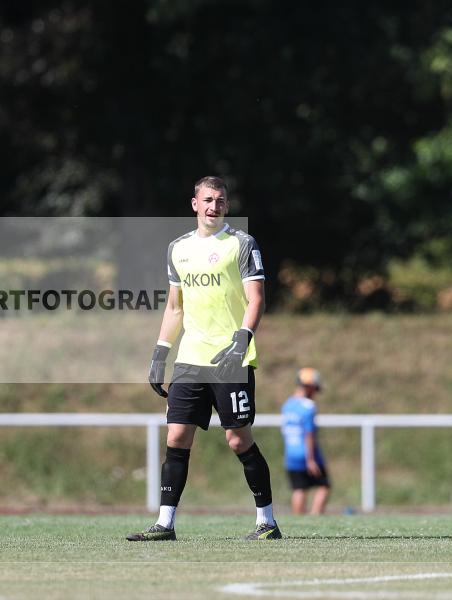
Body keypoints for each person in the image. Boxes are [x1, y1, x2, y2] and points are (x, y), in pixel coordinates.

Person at [127, 175, 281, 542]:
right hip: (191, 358)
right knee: (177, 435)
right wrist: (161, 351)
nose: (214, 206)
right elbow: (175, 307)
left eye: (221, 200)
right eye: (208, 199)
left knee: (238, 440)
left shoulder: (241, 244)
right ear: (194, 203)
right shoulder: (177, 248)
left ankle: (267, 522)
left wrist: (243, 339)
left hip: (230, 358)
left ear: (227, 206)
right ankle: (165, 524)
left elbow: (256, 298)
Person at [281, 368, 331, 515]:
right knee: (324, 486)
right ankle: (315, 517)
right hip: (307, 453)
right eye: (315, 388)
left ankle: (298, 520)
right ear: (308, 386)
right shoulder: (308, 406)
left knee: (299, 489)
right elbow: (309, 434)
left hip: (291, 453)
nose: (315, 393)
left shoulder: (288, 405)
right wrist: (310, 459)